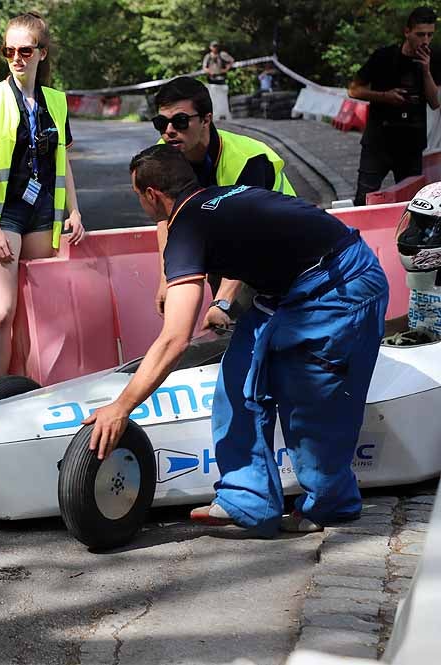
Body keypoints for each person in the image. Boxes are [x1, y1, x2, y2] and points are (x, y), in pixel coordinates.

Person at [84, 145, 388, 536]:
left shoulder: (186, 230)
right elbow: (261, 246)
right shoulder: (220, 197)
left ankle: (332, 506)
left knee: (312, 402)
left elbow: (174, 338)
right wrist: (225, 304)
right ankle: (249, 500)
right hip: (290, 288)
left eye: (137, 195)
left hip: (342, 286)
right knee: (237, 380)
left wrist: (121, 407)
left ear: (152, 195)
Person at [0, 12, 85, 380]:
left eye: (25, 50)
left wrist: (74, 210)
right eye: (9, 50)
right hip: (4, 213)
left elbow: (62, 159)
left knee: (36, 311)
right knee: (3, 312)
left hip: (42, 213)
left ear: (42, 53)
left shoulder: (57, 101)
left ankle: (31, 388)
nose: (17, 58)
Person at [151, 76, 296, 325]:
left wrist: (222, 301)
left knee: (265, 321)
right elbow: (167, 218)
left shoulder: (249, 159)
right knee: (233, 327)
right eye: (161, 123)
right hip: (227, 243)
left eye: (180, 121)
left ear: (206, 119)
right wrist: (167, 280)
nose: (169, 131)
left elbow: (251, 238)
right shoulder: (167, 152)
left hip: (281, 243)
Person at [349, 6, 441, 206]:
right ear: (407, 32)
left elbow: (435, 103)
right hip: (378, 141)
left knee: (412, 204)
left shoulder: (434, 58)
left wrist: (426, 71)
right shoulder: (383, 56)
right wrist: (384, 96)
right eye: (420, 34)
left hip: (411, 143)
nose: (425, 41)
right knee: (364, 197)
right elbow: (354, 90)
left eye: (430, 35)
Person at [202, 41, 234, 120]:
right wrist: (210, 72)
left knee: (224, 97)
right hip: (212, 79)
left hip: (221, 78)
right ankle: (214, 114)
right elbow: (204, 68)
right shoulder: (208, 56)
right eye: (213, 46)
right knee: (213, 97)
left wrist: (226, 69)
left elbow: (231, 60)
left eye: (216, 46)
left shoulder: (222, 54)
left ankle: (225, 113)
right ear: (210, 47)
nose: (215, 48)